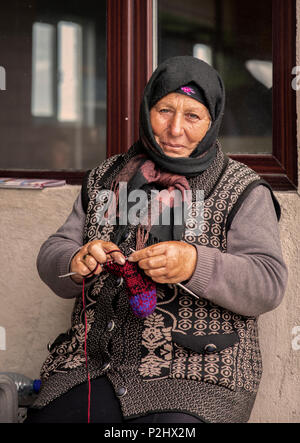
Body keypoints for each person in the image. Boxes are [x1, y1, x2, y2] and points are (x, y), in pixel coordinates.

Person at [25, 56, 288, 424]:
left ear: (213, 120)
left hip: (199, 373)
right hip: (95, 367)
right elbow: (53, 252)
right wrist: (74, 261)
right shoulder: (106, 177)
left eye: (193, 116)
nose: (175, 129)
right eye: (164, 110)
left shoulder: (241, 188)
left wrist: (195, 264)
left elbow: (268, 282)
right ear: (147, 108)